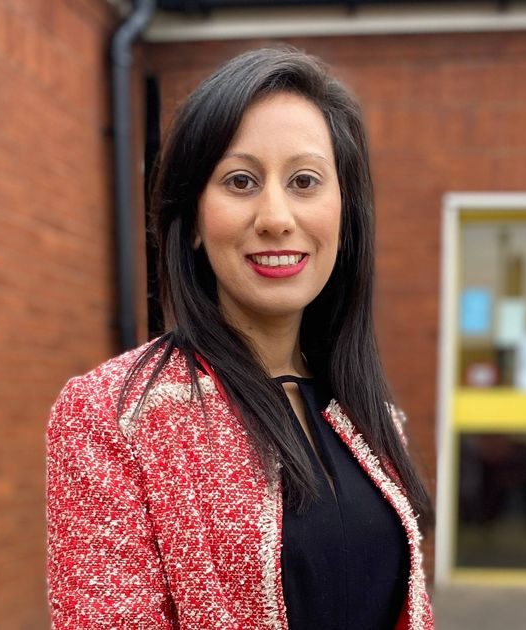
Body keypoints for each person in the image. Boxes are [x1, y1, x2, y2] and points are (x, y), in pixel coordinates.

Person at [45, 47, 435, 629]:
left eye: (304, 181)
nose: (276, 216)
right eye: (241, 181)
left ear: (344, 214)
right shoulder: (112, 417)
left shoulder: (369, 415)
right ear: (195, 221)